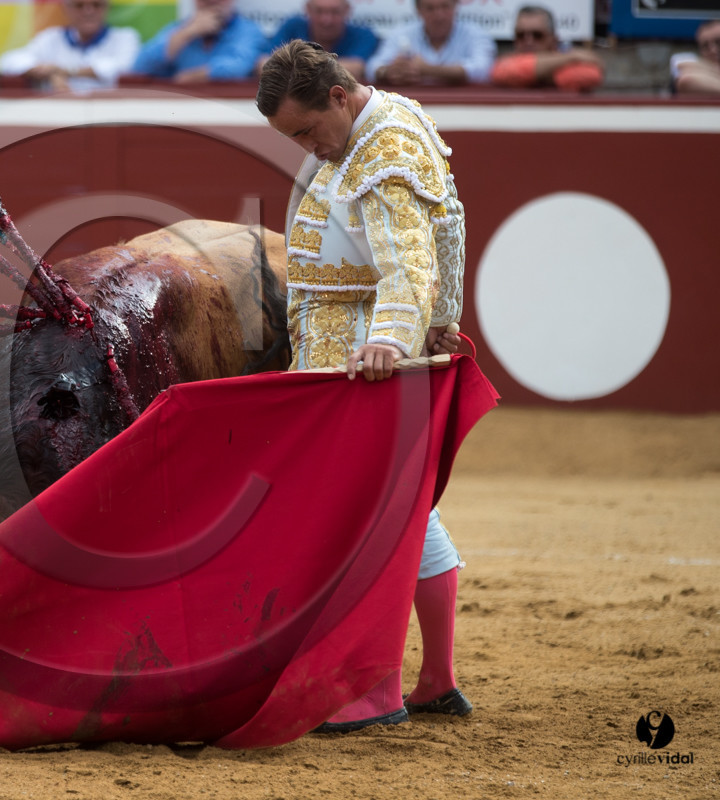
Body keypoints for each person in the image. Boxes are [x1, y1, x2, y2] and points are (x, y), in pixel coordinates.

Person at [257, 39, 470, 730]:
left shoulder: (381, 150)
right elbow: (450, 227)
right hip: (352, 350)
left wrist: (391, 341)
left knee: (357, 519)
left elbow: (409, 262)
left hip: (359, 358)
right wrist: (439, 320)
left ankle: (374, 690)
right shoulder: (387, 119)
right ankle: (436, 679)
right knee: (407, 510)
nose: (308, 147)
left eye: (307, 130)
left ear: (338, 97)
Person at [0, 0, 140, 92]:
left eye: (96, 5)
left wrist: (63, 71)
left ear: (107, 8)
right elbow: (8, 61)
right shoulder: (50, 38)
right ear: (66, 9)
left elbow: (121, 67)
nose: (88, 11)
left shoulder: (125, 37)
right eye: (79, 5)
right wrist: (49, 73)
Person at [131, 0, 265, 84]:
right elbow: (140, 66)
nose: (211, 1)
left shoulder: (248, 30)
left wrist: (195, 76)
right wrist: (187, 33)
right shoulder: (179, 29)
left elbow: (238, 66)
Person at [365, 0, 495, 86]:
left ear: (456, 6)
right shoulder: (401, 34)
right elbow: (373, 67)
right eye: (430, 8)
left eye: (445, 6)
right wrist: (388, 72)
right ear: (418, 10)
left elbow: (483, 70)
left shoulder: (475, 34)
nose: (439, 15)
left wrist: (428, 70)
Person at [490, 6, 604, 92]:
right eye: (521, 35)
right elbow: (504, 72)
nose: (528, 41)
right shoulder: (505, 63)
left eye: (537, 35)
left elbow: (590, 75)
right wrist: (572, 57)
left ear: (553, 39)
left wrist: (529, 75)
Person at [264, 0, 379, 81]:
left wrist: (294, 66)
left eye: (335, 12)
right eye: (319, 11)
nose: (326, 20)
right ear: (308, 9)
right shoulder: (292, 27)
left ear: (347, 10)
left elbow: (356, 68)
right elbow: (265, 64)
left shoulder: (362, 35)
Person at [670, 20, 720, 95]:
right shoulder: (689, 68)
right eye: (705, 46)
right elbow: (687, 81)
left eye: (718, 42)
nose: (713, 50)